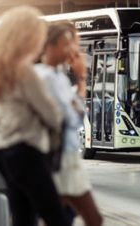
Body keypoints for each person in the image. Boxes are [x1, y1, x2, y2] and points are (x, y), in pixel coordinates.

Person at [0, 6, 69, 226]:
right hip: (28, 153)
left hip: (5, 154)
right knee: (56, 216)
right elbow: (52, 115)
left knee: (22, 217)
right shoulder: (24, 71)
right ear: (26, 37)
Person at [34, 21, 103, 226]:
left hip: (66, 157)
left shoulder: (57, 76)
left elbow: (77, 112)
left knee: (61, 218)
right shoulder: (44, 76)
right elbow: (72, 118)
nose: (70, 50)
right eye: (66, 44)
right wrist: (81, 77)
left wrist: (81, 79)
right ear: (49, 45)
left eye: (72, 44)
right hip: (60, 158)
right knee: (91, 219)